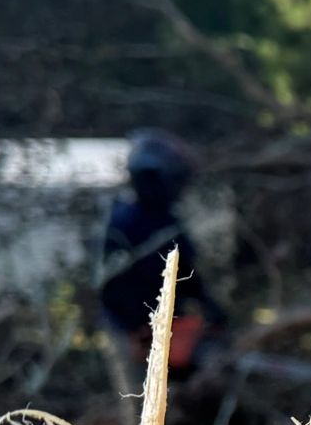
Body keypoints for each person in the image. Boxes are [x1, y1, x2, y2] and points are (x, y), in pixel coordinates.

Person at [97, 130, 229, 400]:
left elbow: (185, 273)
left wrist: (210, 307)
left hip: (162, 324)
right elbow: (113, 287)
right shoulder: (125, 223)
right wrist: (140, 328)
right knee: (140, 412)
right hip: (129, 330)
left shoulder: (167, 222)